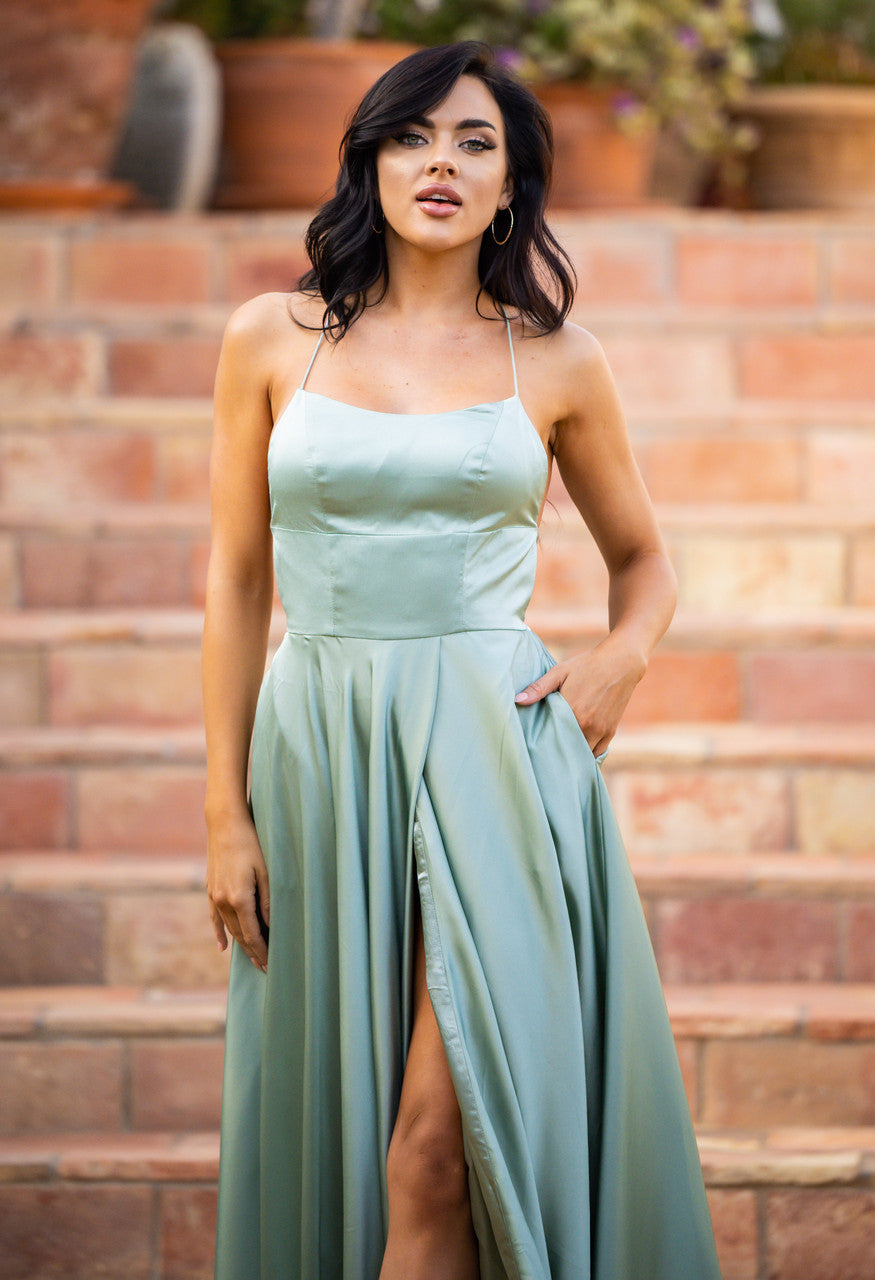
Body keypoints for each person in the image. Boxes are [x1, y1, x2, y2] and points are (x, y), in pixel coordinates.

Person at [202, 40, 722, 1280]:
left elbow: (643, 558)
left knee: (434, 1150)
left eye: (474, 142)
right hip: (319, 750)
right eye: (411, 135)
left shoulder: (554, 360)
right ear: (369, 163)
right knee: (346, 1122)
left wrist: (616, 662)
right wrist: (222, 808)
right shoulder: (270, 339)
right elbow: (233, 578)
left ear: (511, 187)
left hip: (498, 758)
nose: (440, 161)